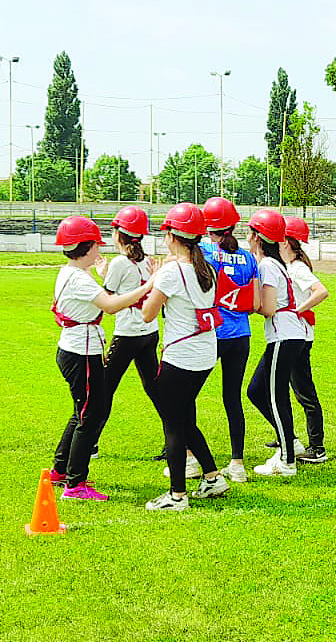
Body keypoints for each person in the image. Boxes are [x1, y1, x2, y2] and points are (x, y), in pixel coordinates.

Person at [47, 216, 152, 501]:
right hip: (81, 353)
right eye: (95, 245)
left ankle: (60, 470)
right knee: (91, 415)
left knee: (83, 411)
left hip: (78, 350)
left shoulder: (71, 272)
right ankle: (75, 484)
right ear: (85, 247)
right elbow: (111, 305)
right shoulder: (79, 279)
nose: (99, 249)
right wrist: (148, 286)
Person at [140, 203, 229, 510]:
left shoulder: (171, 272)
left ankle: (177, 495)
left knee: (174, 424)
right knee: (184, 419)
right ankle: (213, 477)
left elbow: (147, 314)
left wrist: (153, 282)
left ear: (171, 236)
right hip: (204, 353)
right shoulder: (207, 269)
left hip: (180, 356)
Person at [200, 196, 259, 482]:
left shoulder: (203, 251)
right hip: (241, 335)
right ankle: (237, 463)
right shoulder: (248, 257)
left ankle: (189, 459)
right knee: (232, 398)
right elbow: (255, 303)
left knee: (186, 396)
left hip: (211, 333)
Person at [245, 209, 302, 477]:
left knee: (275, 396)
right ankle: (291, 442)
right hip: (288, 334)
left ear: (257, 237)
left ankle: (287, 459)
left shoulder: (267, 265)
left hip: (283, 334)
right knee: (256, 390)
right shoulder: (275, 263)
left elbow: (267, 308)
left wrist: (242, 303)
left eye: (249, 232)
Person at [103, 206, 161, 464]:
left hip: (127, 333)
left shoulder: (119, 262)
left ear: (119, 233)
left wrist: (103, 274)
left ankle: (90, 441)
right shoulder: (148, 261)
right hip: (149, 331)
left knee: (104, 388)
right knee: (155, 388)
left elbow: (108, 296)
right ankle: (176, 439)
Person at [282, 215, 329, 464]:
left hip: (299, 337)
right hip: (295, 335)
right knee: (283, 388)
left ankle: (317, 447)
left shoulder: (298, 268)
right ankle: (286, 436)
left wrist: (297, 311)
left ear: (286, 241)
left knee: (304, 392)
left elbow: (321, 292)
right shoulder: (290, 266)